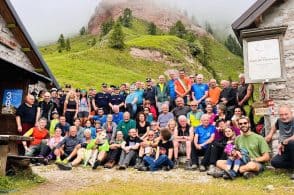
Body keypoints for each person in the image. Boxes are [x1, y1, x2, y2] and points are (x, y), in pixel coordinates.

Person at [266, 105, 294, 180]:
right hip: (285, 150)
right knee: (274, 162)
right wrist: (270, 134)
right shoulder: (279, 121)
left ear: (291, 113)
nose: (284, 117)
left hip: (291, 146)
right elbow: (275, 126)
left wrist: (284, 142)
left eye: (286, 114)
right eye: (281, 115)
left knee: (291, 143)